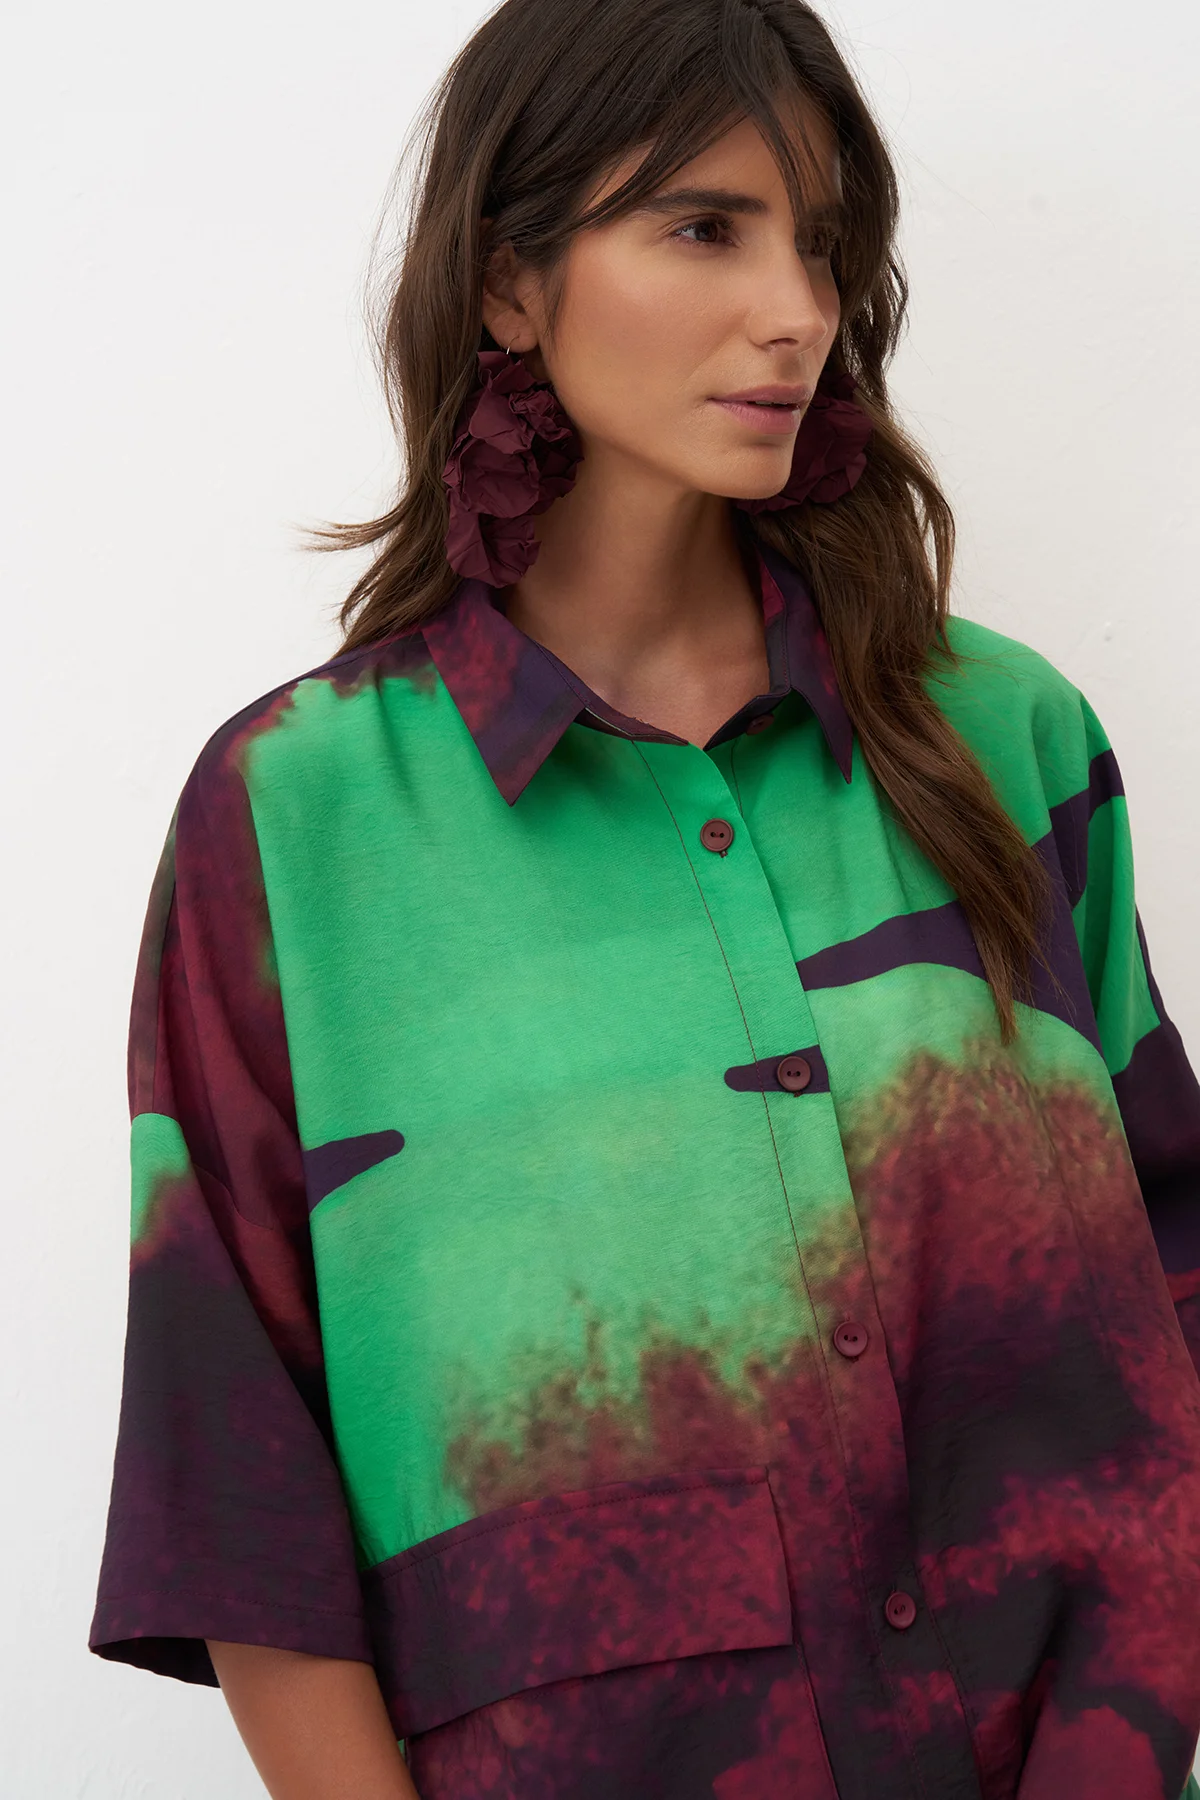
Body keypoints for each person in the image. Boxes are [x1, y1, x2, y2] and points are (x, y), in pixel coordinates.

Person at [88, 1, 1200, 1796]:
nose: (796, 309)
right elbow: (239, 1480)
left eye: (820, 243)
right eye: (704, 227)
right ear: (509, 283)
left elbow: (1175, 1276)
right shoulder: (296, 821)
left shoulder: (1005, 740)